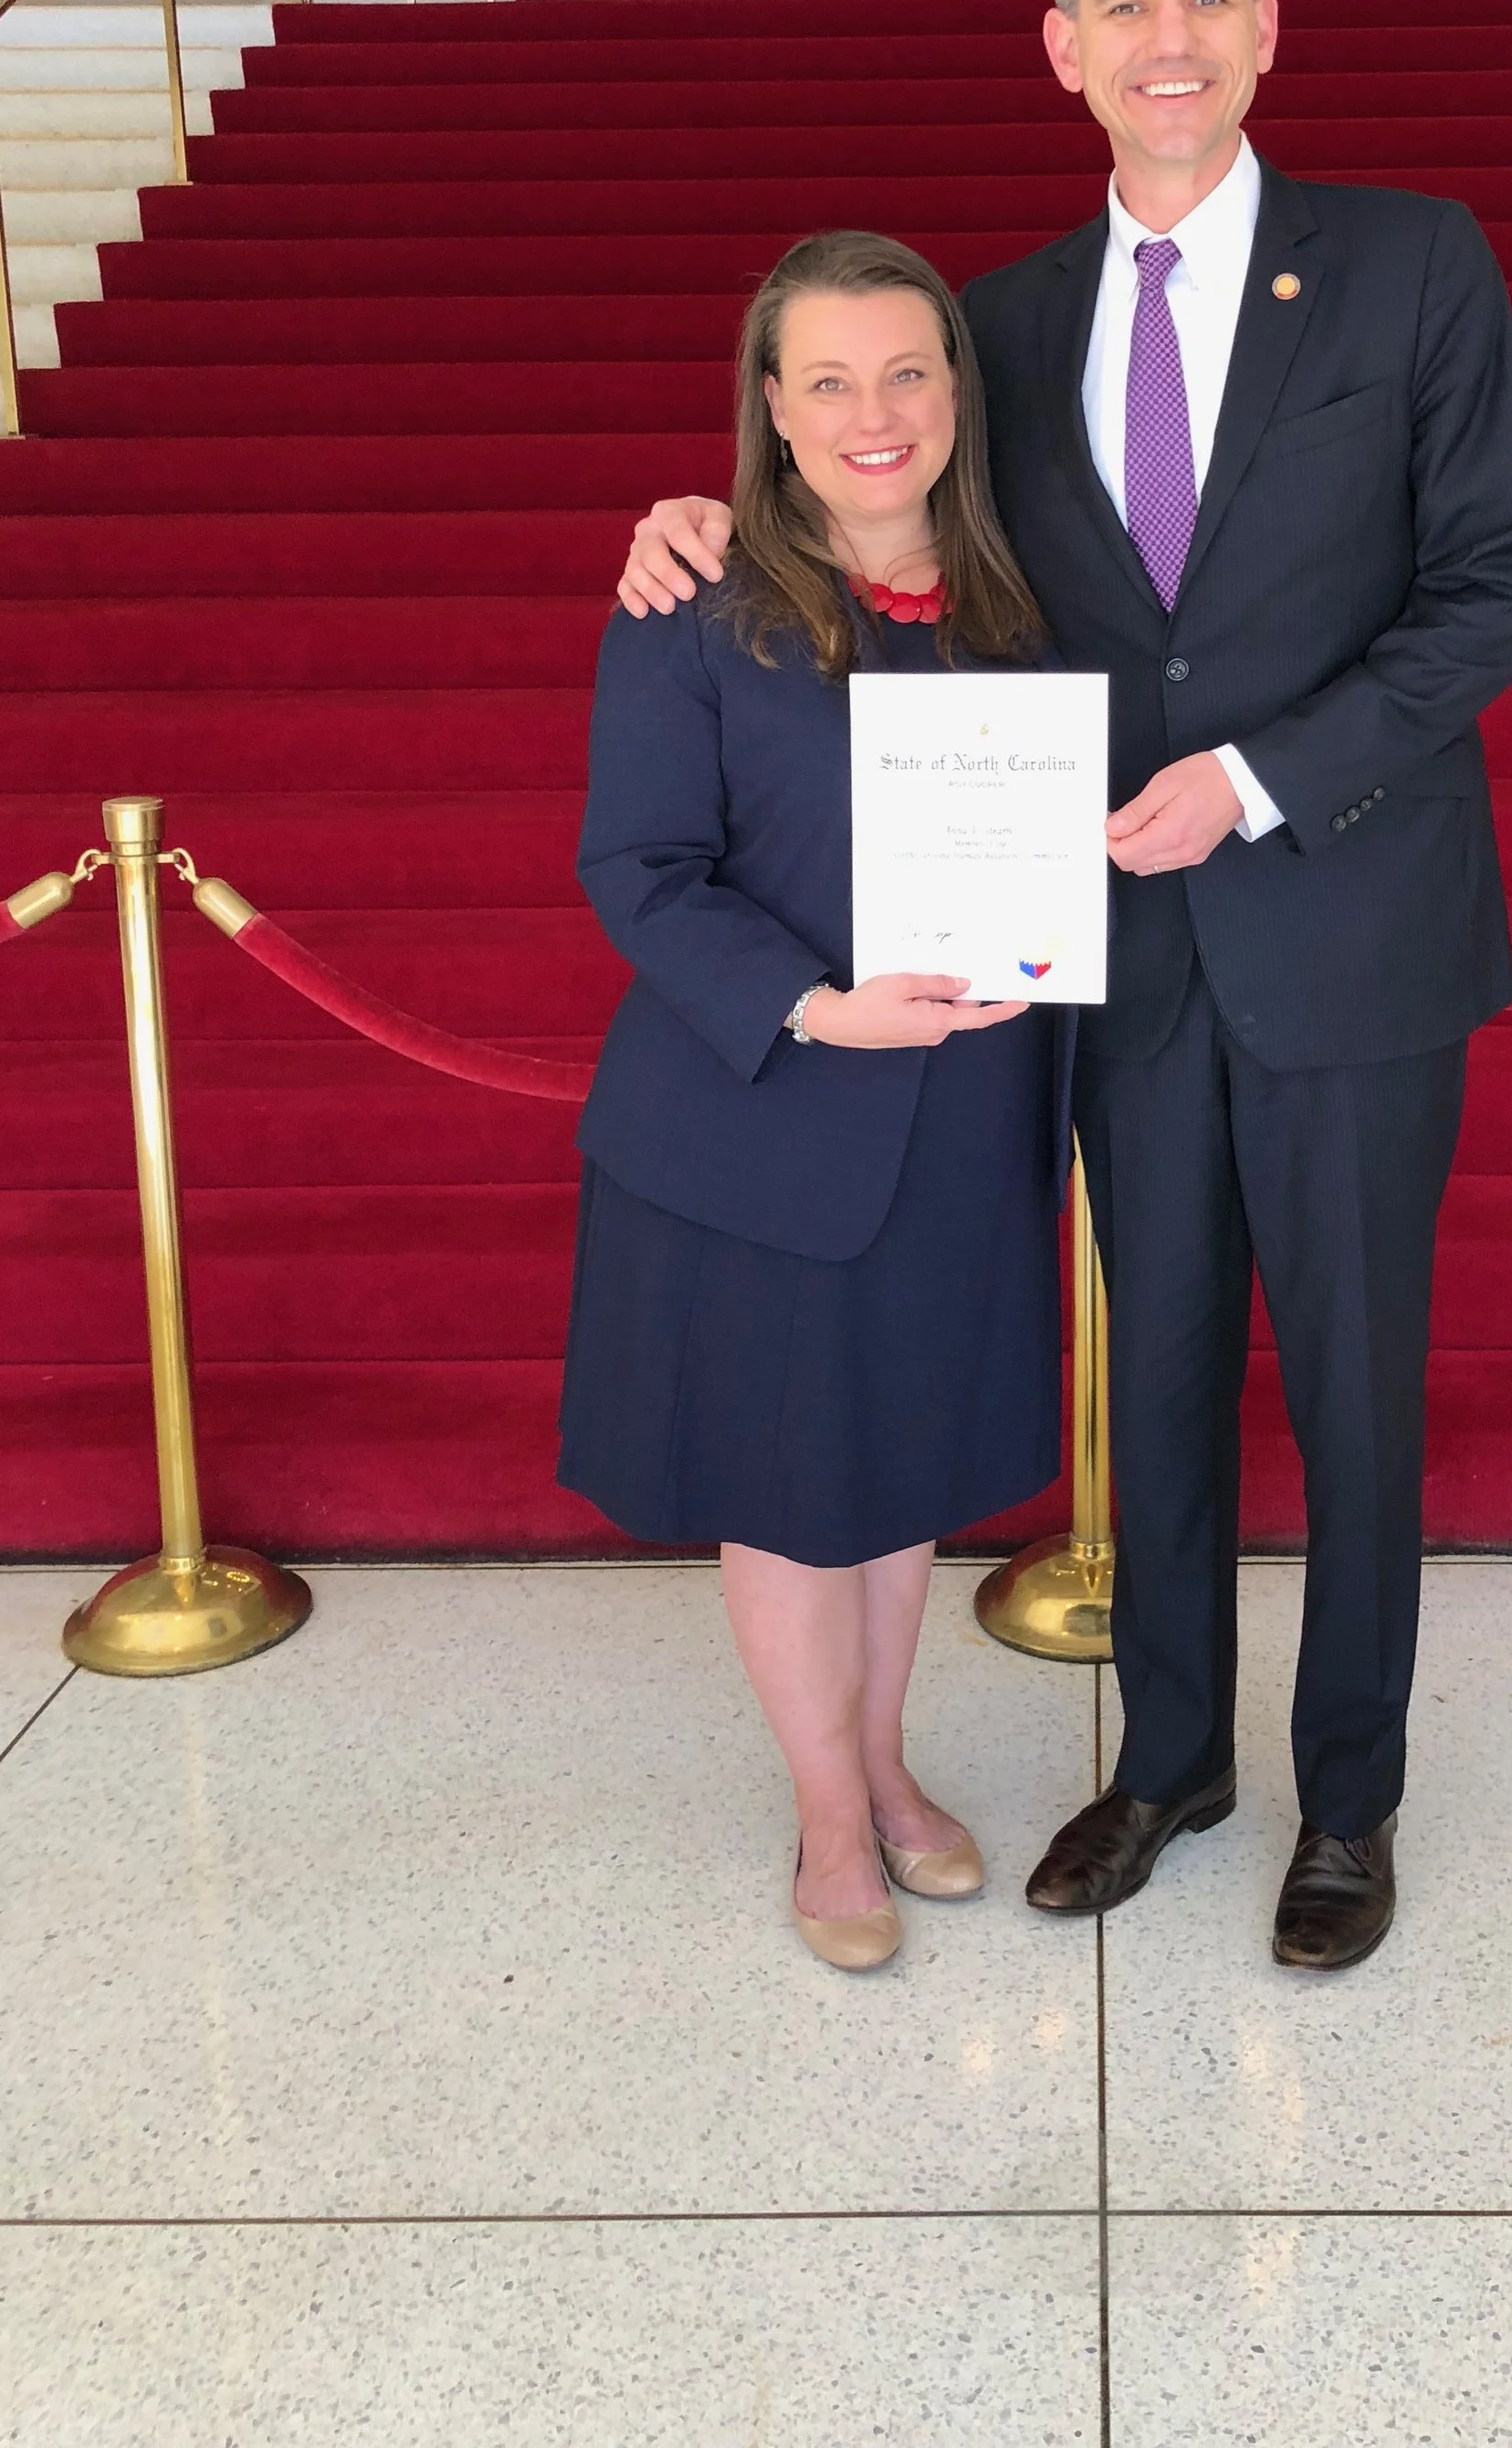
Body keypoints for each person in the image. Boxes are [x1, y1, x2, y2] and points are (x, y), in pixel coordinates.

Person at [617, 0, 1512, 1972]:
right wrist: (692, 511)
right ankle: (1167, 1760)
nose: (1165, 35)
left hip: (1348, 926)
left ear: (1263, 25)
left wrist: (1253, 777)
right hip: (1107, 969)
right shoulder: (1001, 324)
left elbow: (1499, 582)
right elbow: (872, 519)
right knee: (1152, 1385)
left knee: (1353, 1380)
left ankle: (1346, 1796)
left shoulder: (1409, 270)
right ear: (1058, 46)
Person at [563, 229, 1069, 1973]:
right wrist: (809, 1003)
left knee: (900, 1468)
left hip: (967, 1124)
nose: (875, 413)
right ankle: (831, 1815)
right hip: (758, 1119)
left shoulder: (1029, 595)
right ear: (771, 409)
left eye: (907, 372)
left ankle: (890, 1761)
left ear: (955, 392)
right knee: (789, 1485)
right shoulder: (692, 608)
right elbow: (636, 864)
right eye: (830, 379)